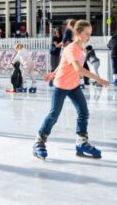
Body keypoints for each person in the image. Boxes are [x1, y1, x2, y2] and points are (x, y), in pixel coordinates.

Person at [33, 20, 109, 160]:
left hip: (73, 85)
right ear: (79, 33)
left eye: (90, 34)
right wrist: (97, 79)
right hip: (61, 86)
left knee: (83, 113)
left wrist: (53, 73)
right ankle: (39, 141)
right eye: (87, 34)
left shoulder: (81, 49)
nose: (89, 37)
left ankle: (81, 143)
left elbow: (63, 62)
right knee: (53, 115)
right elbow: (78, 69)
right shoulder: (71, 48)